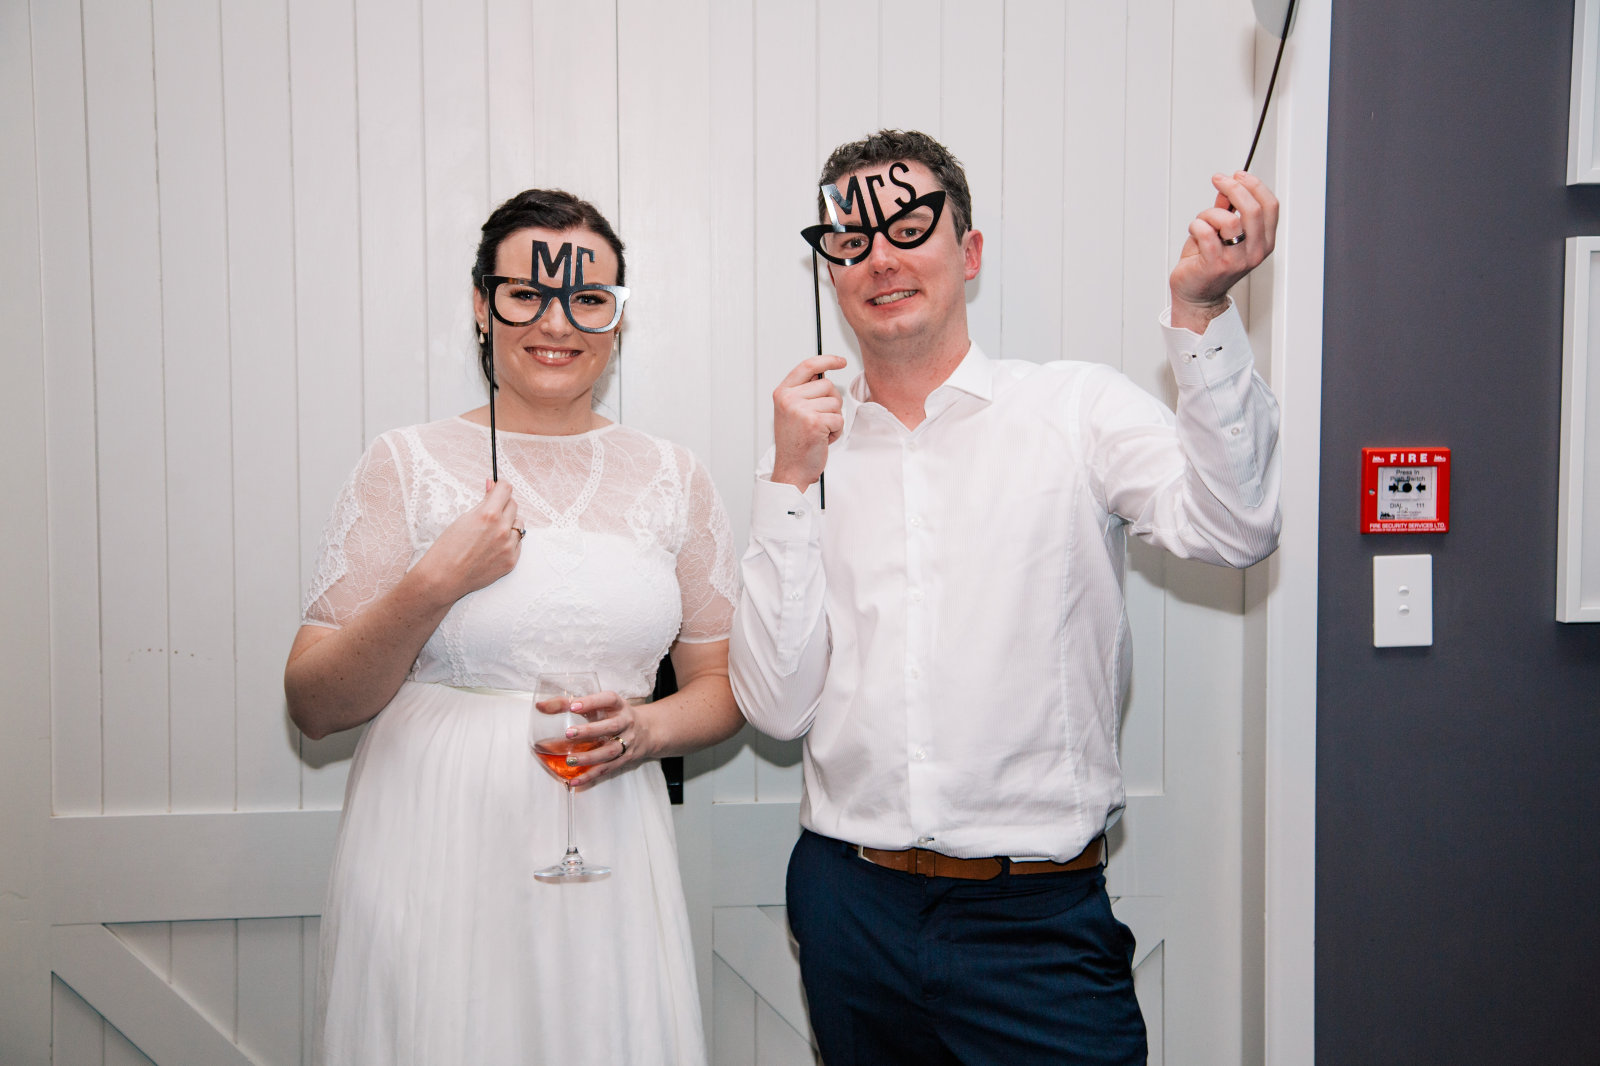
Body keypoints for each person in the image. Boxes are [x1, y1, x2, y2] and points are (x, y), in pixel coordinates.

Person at [729, 129, 1282, 1064]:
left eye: (910, 226)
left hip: (1038, 919)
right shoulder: (805, 455)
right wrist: (786, 480)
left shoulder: (1077, 410)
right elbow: (777, 709)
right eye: (852, 239)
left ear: (970, 251)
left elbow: (1236, 529)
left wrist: (1201, 309)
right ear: (830, 267)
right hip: (848, 908)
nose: (881, 258)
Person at [285, 188, 741, 1066]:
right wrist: (435, 584)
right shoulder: (403, 463)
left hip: (606, 833)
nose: (556, 322)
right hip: (432, 837)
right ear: (480, 304)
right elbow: (312, 704)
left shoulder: (673, 475)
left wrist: (648, 730)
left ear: (617, 316)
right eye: (526, 293)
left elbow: (723, 686)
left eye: (587, 298)